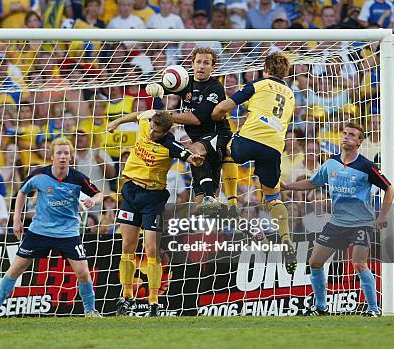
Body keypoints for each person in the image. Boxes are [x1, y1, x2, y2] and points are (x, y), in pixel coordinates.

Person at [0, 137, 104, 319]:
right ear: (52, 156)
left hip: (68, 233)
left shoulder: (78, 178)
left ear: (70, 157)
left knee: (83, 273)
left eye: (66, 153)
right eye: (59, 153)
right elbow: (22, 192)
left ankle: (90, 311)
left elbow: (100, 194)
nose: (63, 157)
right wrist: (17, 218)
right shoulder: (39, 175)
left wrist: (92, 200)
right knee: (15, 269)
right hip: (40, 232)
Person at [282, 123, 394, 316]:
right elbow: (312, 182)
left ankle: (374, 309)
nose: (346, 137)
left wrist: (383, 215)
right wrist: (286, 186)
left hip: (362, 223)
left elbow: (389, 189)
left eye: (352, 135)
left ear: (359, 141)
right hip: (336, 223)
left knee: (359, 263)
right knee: (315, 262)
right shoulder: (330, 163)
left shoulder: (367, 166)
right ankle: (321, 308)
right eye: (344, 134)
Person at [108, 110, 203, 317]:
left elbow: (186, 155)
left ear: (166, 131)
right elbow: (137, 115)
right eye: (151, 127)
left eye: (156, 131)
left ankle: (153, 302)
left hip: (152, 199)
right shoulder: (145, 124)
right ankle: (126, 297)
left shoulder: (170, 145)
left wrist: (194, 159)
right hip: (131, 192)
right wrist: (116, 121)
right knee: (127, 246)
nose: (151, 132)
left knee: (151, 249)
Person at [211, 52, 297, 273]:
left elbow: (223, 108)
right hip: (274, 147)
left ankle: (231, 204)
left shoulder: (257, 84)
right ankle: (286, 239)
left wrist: (211, 116)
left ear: (265, 68)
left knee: (225, 150)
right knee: (272, 196)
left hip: (249, 140)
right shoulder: (290, 94)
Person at [146, 47, 239, 217]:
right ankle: (223, 212)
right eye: (198, 62)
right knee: (201, 206)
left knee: (194, 151)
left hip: (219, 135)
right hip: (200, 139)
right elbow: (168, 85)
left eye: (206, 63)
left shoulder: (215, 88)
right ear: (192, 64)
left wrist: (165, 116)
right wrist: (156, 87)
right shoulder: (186, 82)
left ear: (213, 67)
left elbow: (197, 118)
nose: (201, 66)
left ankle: (211, 198)